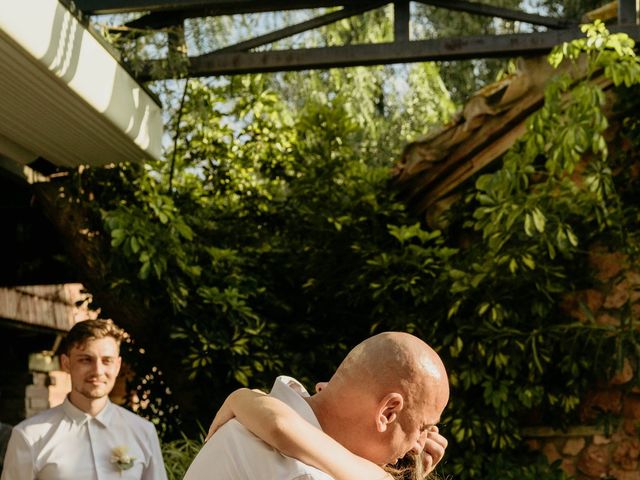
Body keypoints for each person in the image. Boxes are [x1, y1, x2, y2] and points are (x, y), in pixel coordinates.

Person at [184, 331, 449, 480]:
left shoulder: (259, 414)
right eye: (423, 427)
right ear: (388, 412)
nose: (419, 446)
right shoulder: (303, 474)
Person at [1, 319, 168, 480]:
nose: (97, 370)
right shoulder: (30, 436)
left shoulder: (143, 432)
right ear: (66, 364)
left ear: (117, 366)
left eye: (106, 361)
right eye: (86, 360)